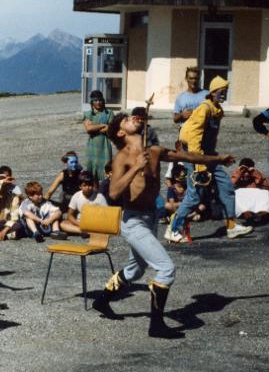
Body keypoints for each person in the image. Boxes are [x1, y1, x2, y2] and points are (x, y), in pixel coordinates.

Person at [90, 112, 235, 338]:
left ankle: (101, 301)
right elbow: (114, 192)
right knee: (166, 268)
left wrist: (218, 159)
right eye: (127, 119)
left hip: (150, 219)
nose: (133, 118)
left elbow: (189, 157)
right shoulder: (122, 158)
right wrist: (136, 167)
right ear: (120, 132)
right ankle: (156, 325)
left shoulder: (154, 151)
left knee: (135, 270)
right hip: (132, 221)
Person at [168, 76, 251, 242]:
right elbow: (192, 136)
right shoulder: (204, 109)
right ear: (213, 92)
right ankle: (173, 229)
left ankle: (231, 226)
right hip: (196, 156)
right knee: (194, 196)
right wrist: (199, 164)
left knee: (227, 187)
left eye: (226, 91)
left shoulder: (217, 110)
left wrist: (216, 158)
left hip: (209, 155)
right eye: (221, 91)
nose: (223, 94)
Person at [60, 171, 108, 236]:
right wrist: (79, 224)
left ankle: (90, 231)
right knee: (63, 224)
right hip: (80, 223)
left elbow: (107, 214)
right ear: (80, 186)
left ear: (93, 185)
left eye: (90, 185)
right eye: (84, 185)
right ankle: (83, 232)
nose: (87, 188)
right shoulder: (76, 196)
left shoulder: (99, 196)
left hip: (95, 223)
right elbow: (69, 215)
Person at [82, 90, 113, 182]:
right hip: (92, 146)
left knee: (106, 170)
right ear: (92, 102)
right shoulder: (88, 114)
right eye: (95, 100)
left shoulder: (109, 113)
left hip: (105, 146)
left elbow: (110, 129)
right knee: (92, 172)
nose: (98, 102)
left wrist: (94, 127)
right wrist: (103, 125)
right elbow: (88, 129)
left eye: (100, 100)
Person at [230, 158, 269, 225]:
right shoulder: (238, 177)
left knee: (264, 192)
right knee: (238, 193)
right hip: (243, 205)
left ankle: (262, 214)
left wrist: (255, 173)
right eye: (244, 171)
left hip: (254, 203)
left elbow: (267, 186)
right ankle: (248, 217)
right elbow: (230, 186)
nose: (246, 173)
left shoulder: (255, 176)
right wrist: (238, 173)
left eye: (248, 171)